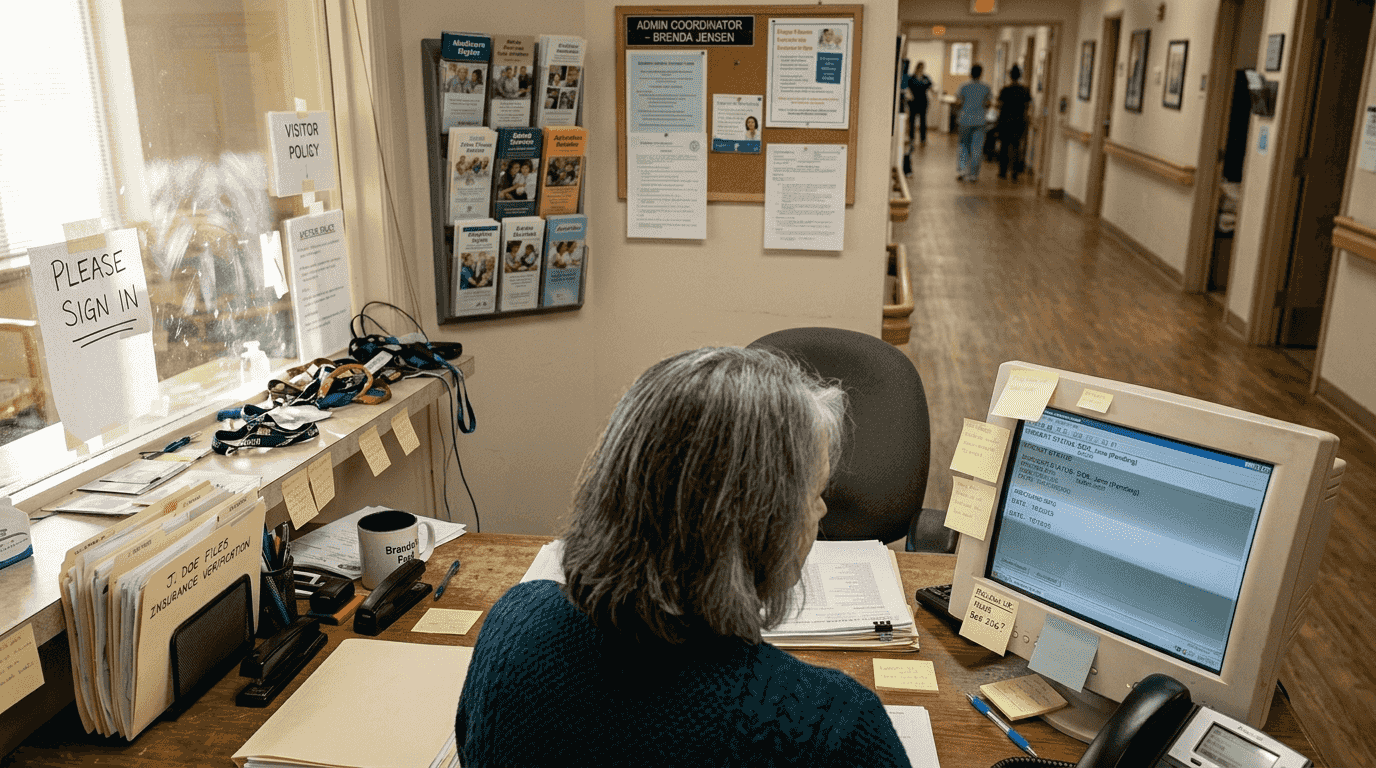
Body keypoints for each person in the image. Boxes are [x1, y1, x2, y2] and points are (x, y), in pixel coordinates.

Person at [455, 347, 912, 766]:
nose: (822, 510)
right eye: (814, 493)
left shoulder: (512, 624)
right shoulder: (832, 730)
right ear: (757, 525)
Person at [954, 64, 992, 182]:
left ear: (970, 73)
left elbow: (958, 101)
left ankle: (962, 171)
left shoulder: (964, 86)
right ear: (981, 74)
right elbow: (989, 103)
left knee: (964, 146)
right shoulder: (986, 87)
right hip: (980, 121)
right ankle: (973, 175)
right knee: (977, 148)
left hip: (965, 120)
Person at [996, 65, 1033, 181]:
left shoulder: (1005, 90)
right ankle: (1015, 173)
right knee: (1016, 147)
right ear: (1020, 75)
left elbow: (999, 105)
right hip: (1019, 122)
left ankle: (1002, 172)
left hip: (1005, 122)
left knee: (1004, 147)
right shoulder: (1025, 90)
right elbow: (1028, 106)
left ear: (1010, 76)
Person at [907, 61, 933, 154]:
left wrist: (923, 84)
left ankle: (923, 139)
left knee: (923, 121)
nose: (922, 69)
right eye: (920, 67)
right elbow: (909, 87)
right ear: (917, 67)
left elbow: (929, 85)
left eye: (923, 67)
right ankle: (911, 139)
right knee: (912, 121)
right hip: (913, 102)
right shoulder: (911, 77)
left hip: (923, 102)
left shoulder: (926, 77)